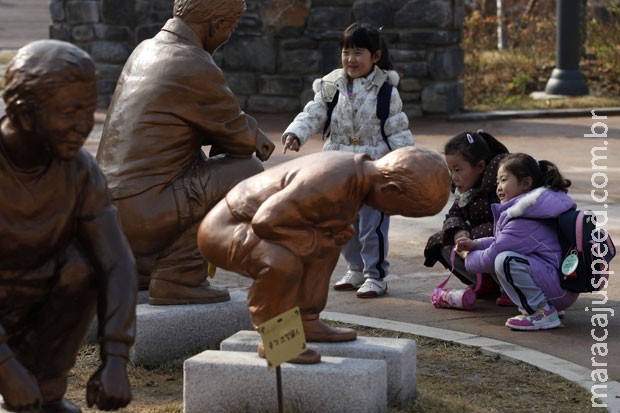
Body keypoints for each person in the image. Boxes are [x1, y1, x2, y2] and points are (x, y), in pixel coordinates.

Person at [95, 0, 276, 306]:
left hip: (108, 216)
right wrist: (256, 138)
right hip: (143, 213)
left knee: (195, 164)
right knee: (249, 173)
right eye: (230, 27)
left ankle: (143, 267)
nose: (229, 35)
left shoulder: (145, 49)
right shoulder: (193, 62)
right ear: (216, 25)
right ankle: (178, 275)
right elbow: (243, 141)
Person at [198, 147, 451, 362]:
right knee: (281, 263)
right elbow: (266, 222)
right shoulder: (331, 181)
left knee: (327, 246)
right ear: (391, 189)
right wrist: (317, 238)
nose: (390, 214)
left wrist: (329, 236)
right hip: (227, 228)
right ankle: (277, 339)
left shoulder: (358, 180)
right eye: (396, 210)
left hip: (262, 224)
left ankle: (307, 319)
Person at [0, 40, 136, 413]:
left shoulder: (78, 170)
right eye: (69, 112)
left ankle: (46, 390)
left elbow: (117, 262)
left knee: (82, 266)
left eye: (88, 108)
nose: (84, 125)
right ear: (24, 114)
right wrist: (6, 368)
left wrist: (116, 358)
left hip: (28, 303)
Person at [281, 22, 414, 298]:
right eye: (346, 52)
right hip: (338, 165)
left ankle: (375, 275)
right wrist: (296, 133)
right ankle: (354, 269)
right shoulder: (332, 85)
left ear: (375, 57)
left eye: (358, 53)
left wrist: (405, 162)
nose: (350, 59)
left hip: (373, 166)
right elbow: (313, 112)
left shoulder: (386, 91)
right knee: (342, 222)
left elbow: (397, 129)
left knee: (371, 224)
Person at [456, 153, 579, 330]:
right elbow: (502, 241)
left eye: (504, 180)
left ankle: (541, 312)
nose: (498, 187)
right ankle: (546, 306)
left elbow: (492, 256)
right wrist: (476, 244)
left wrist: (467, 255)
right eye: (497, 182)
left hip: (559, 289)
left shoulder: (525, 220)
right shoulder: (531, 211)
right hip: (559, 286)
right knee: (505, 256)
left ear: (526, 183)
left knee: (504, 260)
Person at [423, 130, 512, 305]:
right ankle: (486, 283)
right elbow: (454, 214)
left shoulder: (501, 187)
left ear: (480, 167)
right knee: (443, 242)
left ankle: (512, 287)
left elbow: (506, 227)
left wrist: (472, 235)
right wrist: (458, 231)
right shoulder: (466, 191)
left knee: (496, 249)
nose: (454, 177)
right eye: (451, 170)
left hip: (503, 244)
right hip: (479, 243)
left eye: (458, 170)